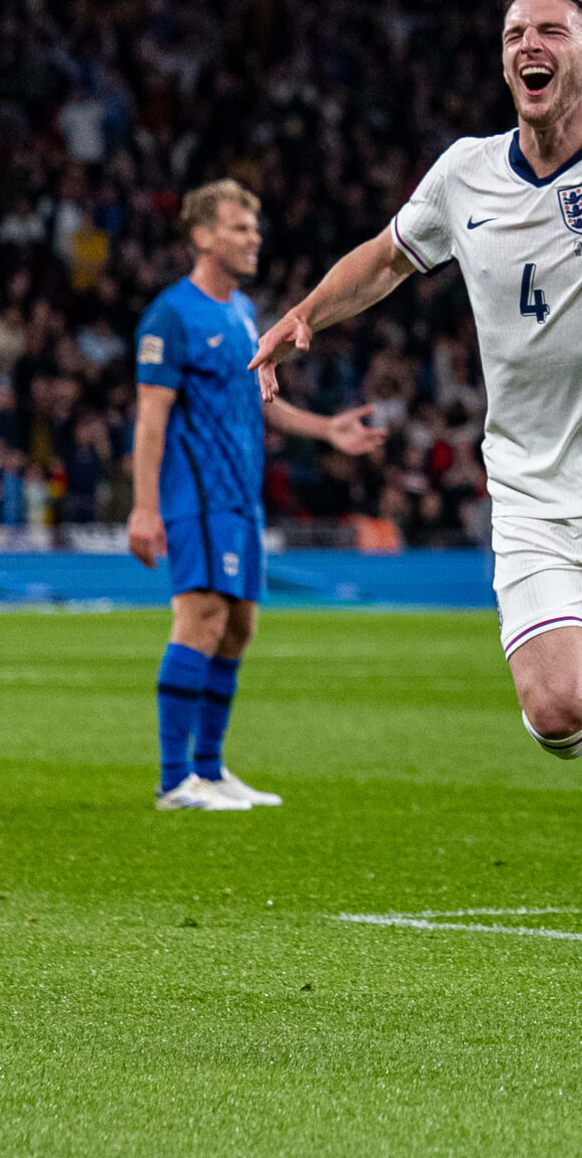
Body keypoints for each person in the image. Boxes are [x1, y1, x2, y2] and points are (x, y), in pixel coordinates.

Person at [248, 0, 582, 1003]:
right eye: (516, 30)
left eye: (552, 30)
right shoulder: (465, 173)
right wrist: (308, 313)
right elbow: (389, 257)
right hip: (529, 482)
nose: (530, 43)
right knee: (561, 707)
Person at [129, 180, 385, 812]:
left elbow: (260, 405)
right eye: (240, 228)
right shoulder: (172, 314)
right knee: (202, 619)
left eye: (255, 228)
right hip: (197, 493)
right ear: (202, 235)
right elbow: (151, 419)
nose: (254, 239)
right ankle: (173, 781)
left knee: (239, 627)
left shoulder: (243, 313)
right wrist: (143, 507)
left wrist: (327, 429)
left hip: (241, 497)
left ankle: (210, 771)